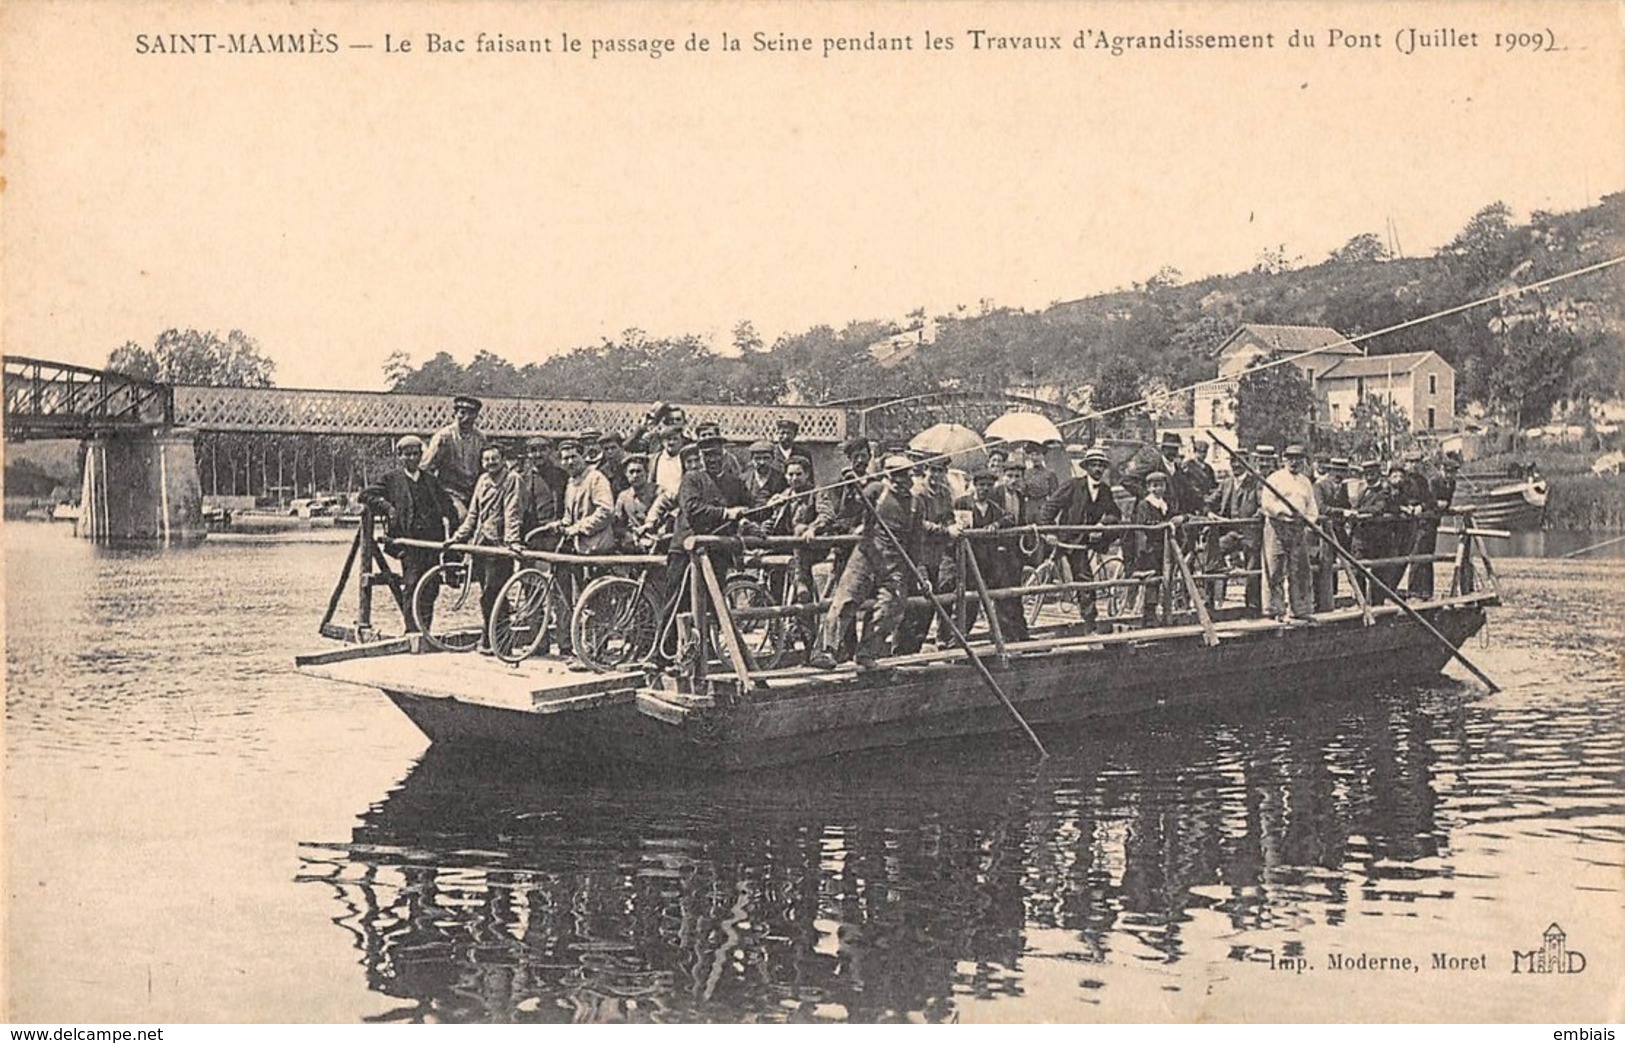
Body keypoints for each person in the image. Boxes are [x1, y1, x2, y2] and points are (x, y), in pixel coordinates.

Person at [810, 455, 916, 671]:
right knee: (846, 601)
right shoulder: (876, 491)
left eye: (904, 476)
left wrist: (919, 571)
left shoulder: (915, 503)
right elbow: (849, 511)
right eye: (895, 476)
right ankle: (825, 650)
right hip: (866, 554)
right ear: (887, 475)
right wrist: (853, 487)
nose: (900, 481)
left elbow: (916, 540)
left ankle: (867, 652)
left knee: (891, 607)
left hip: (895, 561)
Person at [359, 435, 459, 633]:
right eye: (408, 455)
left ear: (421, 456)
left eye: (415, 454)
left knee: (431, 587)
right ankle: (412, 631)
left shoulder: (430, 481)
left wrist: (453, 535)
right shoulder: (391, 479)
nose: (412, 458)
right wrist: (387, 507)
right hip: (408, 543)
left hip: (432, 543)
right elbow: (365, 495)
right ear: (400, 457)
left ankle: (425, 630)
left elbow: (449, 507)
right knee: (412, 585)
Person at [1040, 445, 1121, 632]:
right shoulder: (1073, 485)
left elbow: (1115, 513)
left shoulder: (1105, 490)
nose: (1098, 469)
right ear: (1086, 467)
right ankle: (1089, 624)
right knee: (1084, 580)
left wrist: (1102, 525)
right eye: (1093, 465)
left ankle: (1088, 620)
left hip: (1086, 542)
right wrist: (1050, 532)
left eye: (1101, 465)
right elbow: (1049, 507)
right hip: (1068, 540)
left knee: (1084, 579)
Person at [447, 444, 516, 653]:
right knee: (486, 595)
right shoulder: (483, 480)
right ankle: (490, 640)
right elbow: (473, 515)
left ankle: (501, 644)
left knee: (494, 593)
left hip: (499, 545)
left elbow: (512, 512)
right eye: (486, 460)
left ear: (503, 459)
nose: (490, 463)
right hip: (480, 545)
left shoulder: (511, 480)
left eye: (494, 459)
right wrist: (457, 537)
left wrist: (511, 541)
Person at [954, 468, 1029, 642]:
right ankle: (956, 640)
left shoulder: (993, 507)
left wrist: (997, 523)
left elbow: (1009, 518)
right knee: (969, 601)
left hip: (989, 559)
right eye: (981, 485)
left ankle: (1000, 636)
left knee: (997, 598)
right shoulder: (963, 503)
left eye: (988, 486)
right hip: (969, 559)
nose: (985, 489)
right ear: (974, 485)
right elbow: (958, 526)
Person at [895, 456, 958, 655]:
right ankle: (901, 649)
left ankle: (916, 646)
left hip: (937, 554)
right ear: (926, 471)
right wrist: (944, 530)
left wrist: (952, 525)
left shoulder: (945, 493)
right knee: (914, 604)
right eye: (933, 471)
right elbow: (918, 523)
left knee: (930, 604)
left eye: (940, 471)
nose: (936, 476)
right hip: (918, 553)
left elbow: (949, 516)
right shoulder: (918, 493)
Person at [1260, 444, 1319, 622]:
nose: (1294, 462)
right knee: (1275, 568)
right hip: (1277, 526)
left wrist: (1309, 519)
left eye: (1298, 459)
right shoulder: (1274, 479)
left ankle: (1300, 608)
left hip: (1298, 528)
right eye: (1290, 458)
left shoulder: (1305, 481)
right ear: (1284, 459)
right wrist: (1284, 511)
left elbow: (1312, 507)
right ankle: (1274, 609)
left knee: (1300, 569)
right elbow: (1267, 503)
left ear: (1303, 461)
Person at [1213, 445, 1274, 612]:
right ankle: (1212, 601)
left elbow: (1263, 505)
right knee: (1213, 554)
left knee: (1252, 569)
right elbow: (1212, 501)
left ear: (1247, 463)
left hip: (1250, 532)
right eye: (1233, 461)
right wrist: (1208, 512)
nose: (1235, 465)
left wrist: (1254, 517)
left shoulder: (1256, 482)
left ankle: (1253, 606)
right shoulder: (1226, 483)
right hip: (1231, 531)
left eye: (1239, 462)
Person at [1354, 464, 1410, 606]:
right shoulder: (1363, 489)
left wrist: (1359, 512)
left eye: (1372, 474)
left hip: (1377, 537)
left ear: (1378, 474)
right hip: (1361, 536)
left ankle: (1376, 603)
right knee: (1356, 568)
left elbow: (1379, 507)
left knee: (1378, 571)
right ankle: (1360, 600)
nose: (1369, 477)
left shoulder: (1384, 491)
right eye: (1366, 474)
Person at [1129, 470, 1179, 626]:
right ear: (1149, 488)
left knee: (1165, 579)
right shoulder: (1145, 504)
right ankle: (1149, 616)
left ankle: (1164, 613)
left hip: (1163, 549)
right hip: (1149, 549)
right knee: (1152, 580)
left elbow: (1174, 516)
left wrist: (1180, 518)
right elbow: (1146, 524)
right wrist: (1164, 525)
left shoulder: (1164, 504)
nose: (1159, 489)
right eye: (1155, 486)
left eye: (1161, 485)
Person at [423, 394, 487, 515]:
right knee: (462, 516)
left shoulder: (480, 438)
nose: (466, 418)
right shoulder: (444, 437)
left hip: (474, 491)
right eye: (462, 413)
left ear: (476, 416)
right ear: (455, 414)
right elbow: (426, 466)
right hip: (449, 491)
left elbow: (485, 467)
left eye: (471, 414)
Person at [1408, 451, 1456, 600]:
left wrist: (1443, 507)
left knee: (1429, 557)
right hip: (1423, 522)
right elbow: (1430, 501)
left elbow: (1445, 504)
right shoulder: (1433, 482)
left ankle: (1427, 592)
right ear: (1442, 470)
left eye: (1452, 473)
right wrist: (1437, 505)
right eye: (1447, 472)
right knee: (1417, 556)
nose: (1449, 475)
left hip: (1433, 523)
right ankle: (1413, 591)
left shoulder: (1452, 484)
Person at [1311, 456, 1353, 611]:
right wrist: (1342, 512)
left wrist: (1349, 513)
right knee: (1323, 564)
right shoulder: (1319, 486)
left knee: (1349, 560)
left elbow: (1346, 504)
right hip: (1322, 532)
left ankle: (1350, 595)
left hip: (1339, 530)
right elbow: (1320, 508)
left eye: (1343, 471)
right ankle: (1322, 601)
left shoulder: (1342, 487)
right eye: (1337, 471)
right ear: (1331, 470)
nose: (1339, 475)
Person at [506, 437, 560, 548]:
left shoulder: (562, 476)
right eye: (533, 450)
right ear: (528, 454)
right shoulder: (522, 478)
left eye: (543, 450)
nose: (538, 454)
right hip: (531, 534)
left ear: (550, 451)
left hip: (556, 533)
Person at [613, 453, 659, 551]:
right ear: (626, 474)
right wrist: (629, 535)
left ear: (646, 472)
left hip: (657, 542)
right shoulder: (623, 497)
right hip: (633, 544)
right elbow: (618, 525)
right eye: (631, 472)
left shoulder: (658, 491)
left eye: (639, 471)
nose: (635, 475)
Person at [650, 419, 689, 500]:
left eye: (675, 439)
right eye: (668, 439)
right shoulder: (656, 458)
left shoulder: (684, 458)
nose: (671, 442)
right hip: (659, 500)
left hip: (680, 501)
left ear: (681, 441)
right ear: (663, 442)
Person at [743, 441, 789, 508]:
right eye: (757, 458)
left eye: (766, 458)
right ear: (751, 460)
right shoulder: (743, 479)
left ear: (773, 459)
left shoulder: (781, 479)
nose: (762, 462)